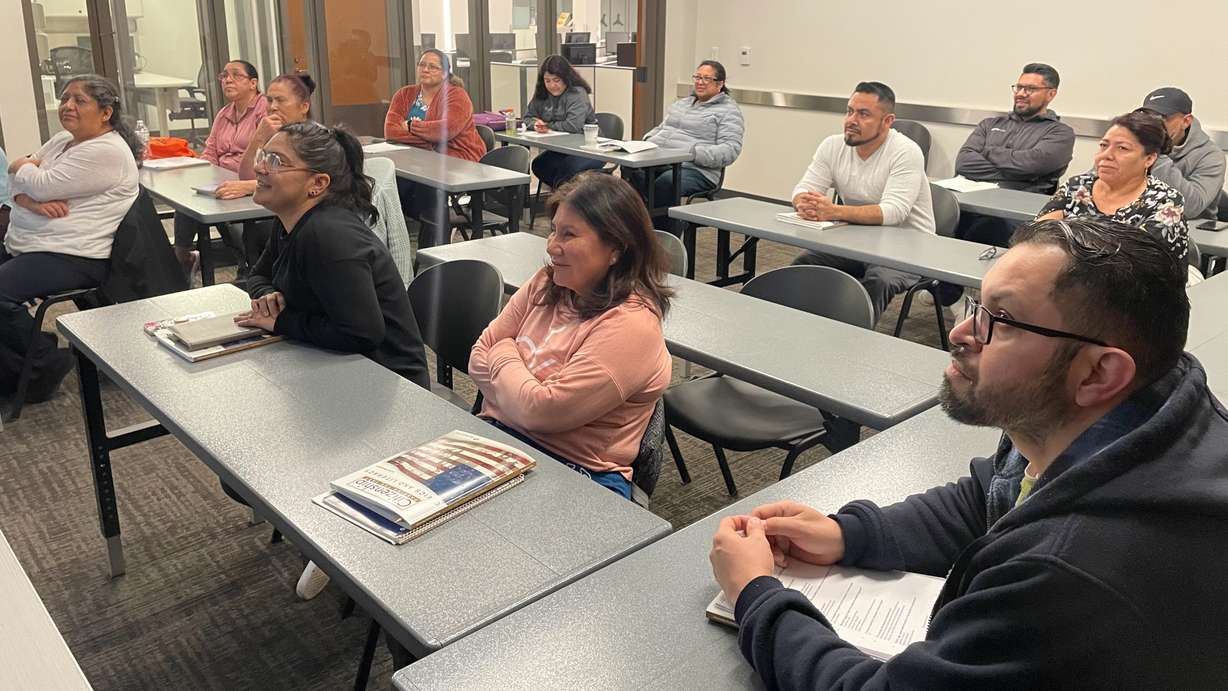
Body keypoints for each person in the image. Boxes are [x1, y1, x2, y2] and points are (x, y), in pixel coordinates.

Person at [709, 217, 1228, 689]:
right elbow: (990, 493)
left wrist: (756, 594)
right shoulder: (1124, 413)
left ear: (1099, 372)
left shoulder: (1067, 576)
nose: (960, 332)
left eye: (998, 320)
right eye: (978, 306)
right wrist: (850, 534)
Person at [236, 121, 431, 601]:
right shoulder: (291, 223)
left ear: (316, 184)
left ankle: (348, 536)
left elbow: (362, 333)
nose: (260, 167)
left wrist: (279, 323)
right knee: (243, 454)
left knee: (259, 457)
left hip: (387, 388)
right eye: (265, 154)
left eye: (276, 161)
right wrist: (269, 299)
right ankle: (333, 524)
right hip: (334, 365)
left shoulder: (328, 235)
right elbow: (254, 276)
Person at [468, 171, 673, 501]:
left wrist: (505, 353)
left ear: (616, 249)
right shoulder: (546, 282)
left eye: (569, 234)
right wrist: (525, 397)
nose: (552, 246)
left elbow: (541, 412)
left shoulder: (632, 324)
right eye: (553, 231)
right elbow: (477, 356)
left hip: (579, 471)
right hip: (503, 440)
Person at [1, 75, 139, 401]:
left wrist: (25, 169)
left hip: (75, 255)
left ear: (105, 112)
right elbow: (17, 185)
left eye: (79, 100)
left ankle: (45, 363)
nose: (68, 106)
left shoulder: (106, 151)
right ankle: (17, 367)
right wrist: (30, 197)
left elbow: (36, 180)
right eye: (65, 99)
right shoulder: (64, 140)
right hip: (36, 245)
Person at [790, 81, 935, 323]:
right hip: (857, 241)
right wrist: (803, 201)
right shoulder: (832, 145)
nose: (851, 120)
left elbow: (893, 212)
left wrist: (833, 210)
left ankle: (851, 349)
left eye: (864, 114)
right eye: (849, 111)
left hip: (908, 247)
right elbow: (804, 187)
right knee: (803, 266)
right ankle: (793, 331)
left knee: (879, 281)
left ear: (887, 121)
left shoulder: (906, 151)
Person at [1038, 110, 1190, 269]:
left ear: (1149, 159)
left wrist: (1067, 236)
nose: (1106, 155)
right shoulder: (1077, 187)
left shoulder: (1165, 202)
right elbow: (1037, 238)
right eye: (1103, 145)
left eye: (1122, 148)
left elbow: (1126, 266)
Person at [954, 63, 1075, 247]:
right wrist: (1019, 173)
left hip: (1012, 213)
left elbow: (1032, 165)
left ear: (1051, 94)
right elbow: (964, 162)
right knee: (940, 212)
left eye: (1031, 89)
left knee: (985, 229)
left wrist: (988, 151)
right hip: (970, 202)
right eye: (1019, 87)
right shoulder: (989, 123)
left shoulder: (1060, 133)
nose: (1021, 93)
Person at [172, 59, 267, 275]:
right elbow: (210, 153)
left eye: (235, 75)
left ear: (253, 83)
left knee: (221, 207)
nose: (228, 80)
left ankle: (249, 265)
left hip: (249, 182)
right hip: (221, 180)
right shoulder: (223, 114)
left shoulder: (264, 111)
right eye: (224, 76)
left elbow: (267, 156)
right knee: (187, 201)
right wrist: (196, 175)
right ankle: (183, 259)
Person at [383, 48, 486, 247]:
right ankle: (411, 241)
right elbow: (391, 131)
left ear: (445, 73)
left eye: (433, 66)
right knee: (391, 183)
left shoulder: (457, 96)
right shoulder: (404, 94)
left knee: (427, 186)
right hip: (420, 158)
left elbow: (446, 130)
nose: (426, 69)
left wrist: (412, 126)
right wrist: (429, 139)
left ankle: (433, 246)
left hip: (459, 160)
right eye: (422, 65)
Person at [626, 60, 744, 228]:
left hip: (697, 170)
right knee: (630, 171)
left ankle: (664, 238)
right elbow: (662, 129)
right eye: (697, 77)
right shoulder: (682, 104)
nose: (699, 82)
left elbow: (730, 150)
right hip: (662, 160)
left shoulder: (728, 111)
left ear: (720, 84)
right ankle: (642, 228)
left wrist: (694, 153)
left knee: (667, 182)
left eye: (706, 78)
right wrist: (646, 142)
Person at [1136, 87, 1226, 220]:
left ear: (1186, 121)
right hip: (1136, 225)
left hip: (1189, 231)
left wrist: (1156, 155)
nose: (1153, 124)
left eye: (1161, 118)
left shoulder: (1211, 156)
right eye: (1147, 117)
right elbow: (1095, 185)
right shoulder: (1132, 144)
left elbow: (1191, 208)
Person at [522, 54, 604, 188]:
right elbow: (527, 117)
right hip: (563, 147)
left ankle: (564, 199)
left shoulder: (577, 93)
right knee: (539, 165)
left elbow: (573, 126)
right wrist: (535, 124)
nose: (552, 85)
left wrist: (547, 126)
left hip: (590, 147)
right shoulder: (542, 93)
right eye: (547, 81)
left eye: (556, 80)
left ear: (566, 78)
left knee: (567, 169)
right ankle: (563, 195)